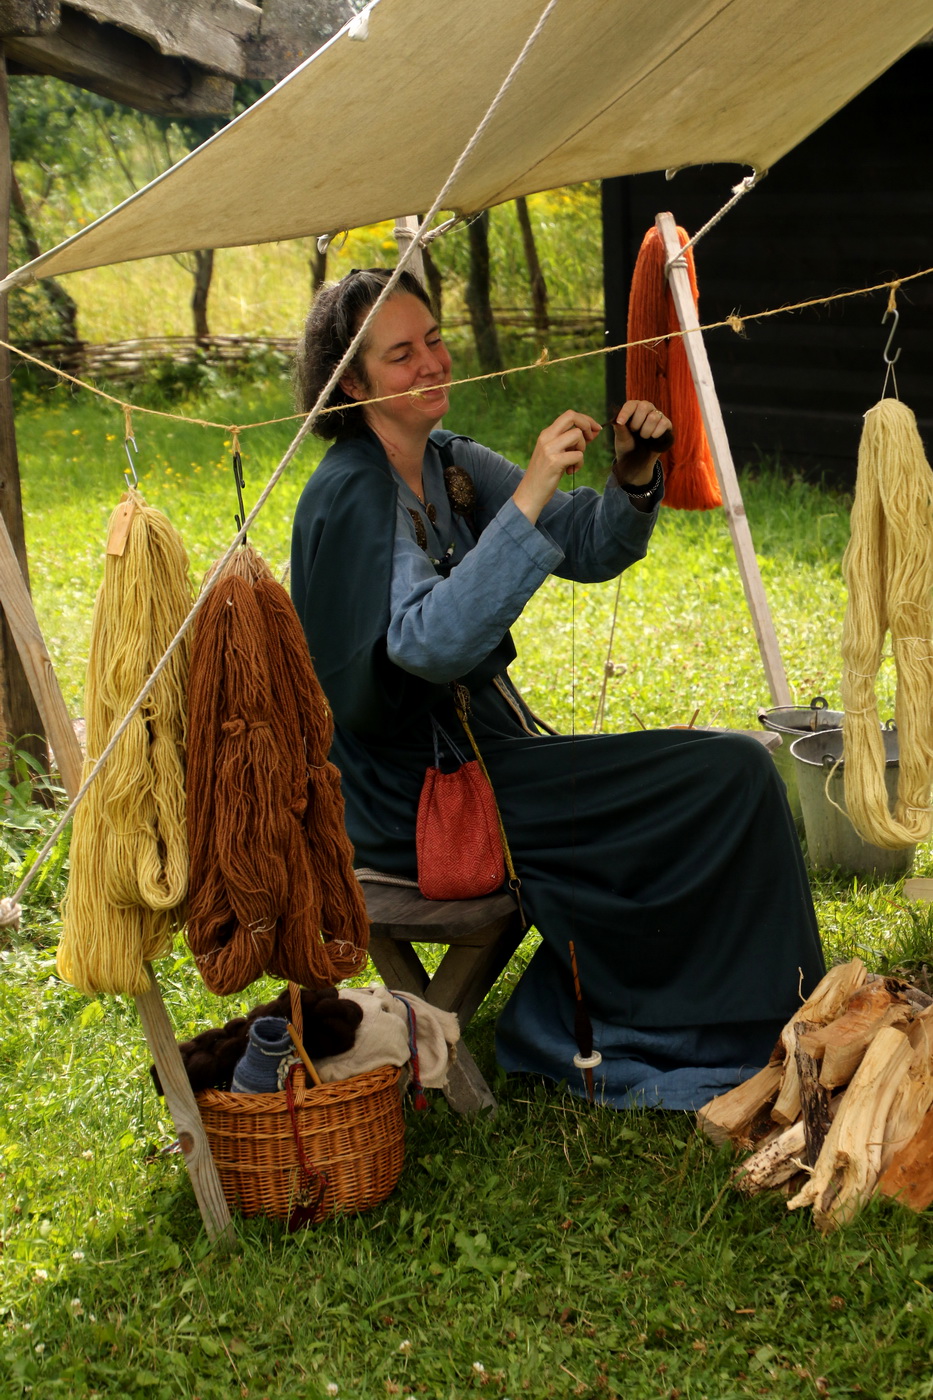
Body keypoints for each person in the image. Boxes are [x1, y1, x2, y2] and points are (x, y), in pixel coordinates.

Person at [290, 268, 824, 1109]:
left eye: (434, 339)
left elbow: (583, 542)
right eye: (400, 355)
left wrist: (632, 475)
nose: (431, 362)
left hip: (478, 761)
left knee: (733, 769)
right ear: (352, 384)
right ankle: (671, 1027)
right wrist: (532, 489)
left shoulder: (447, 462)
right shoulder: (354, 491)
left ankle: (759, 1016)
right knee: (730, 773)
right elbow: (426, 644)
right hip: (408, 801)